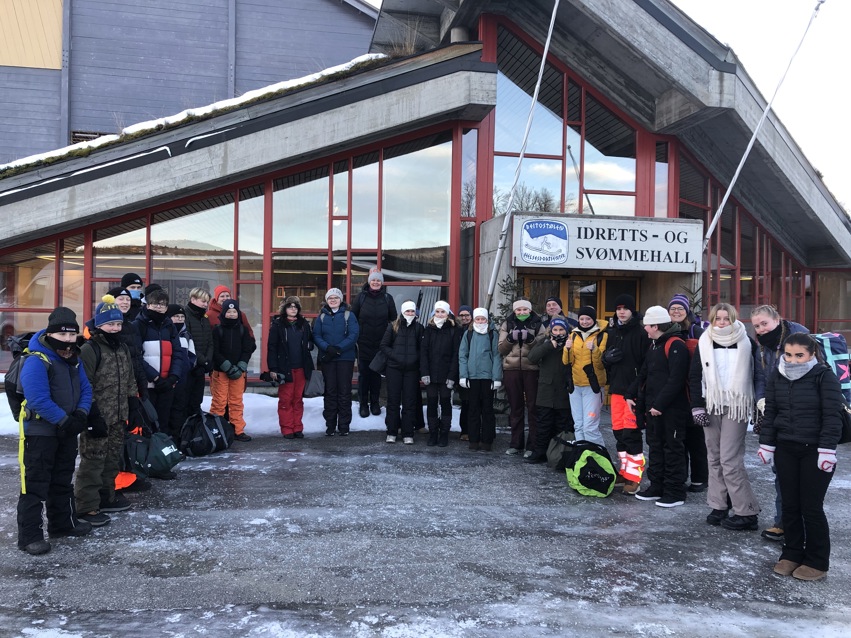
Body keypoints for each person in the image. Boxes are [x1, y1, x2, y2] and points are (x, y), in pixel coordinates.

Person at [757, 333, 843, 581]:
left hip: (815, 451)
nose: (793, 361)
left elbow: (832, 416)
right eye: (789, 355)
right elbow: (771, 411)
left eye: (799, 355)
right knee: (790, 505)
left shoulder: (824, 376)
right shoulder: (778, 375)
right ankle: (791, 553)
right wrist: (767, 444)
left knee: (811, 507)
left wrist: (827, 449)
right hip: (786, 447)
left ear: (812, 354)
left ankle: (817, 561)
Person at [17, 307, 94, 555]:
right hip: (40, 432)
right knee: (36, 483)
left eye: (72, 335)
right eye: (63, 335)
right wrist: (64, 420)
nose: (69, 341)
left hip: (67, 428)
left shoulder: (74, 360)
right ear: (51, 334)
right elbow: (37, 398)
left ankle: (62, 524)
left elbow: (86, 389)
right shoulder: (37, 360)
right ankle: (30, 536)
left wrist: (81, 414)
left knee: (62, 479)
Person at [689, 303, 764, 530]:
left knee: (730, 460)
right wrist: (697, 407)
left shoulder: (747, 342)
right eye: (718, 318)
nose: (722, 323)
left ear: (733, 319)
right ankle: (719, 504)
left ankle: (746, 511)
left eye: (726, 318)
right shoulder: (704, 342)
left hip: (736, 406)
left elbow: (758, 375)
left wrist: (760, 405)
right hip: (711, 404)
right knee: (713, 457)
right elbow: (694, 376)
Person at [76, 295, 136, 527]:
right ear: (99, 325)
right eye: (110, 324)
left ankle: (105, 496)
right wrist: (91, 415)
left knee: (112, 458)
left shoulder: (121, 348)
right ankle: (86, 507)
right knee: (93, 461)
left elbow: (129, 378)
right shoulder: (90, 349)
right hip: (98, 416)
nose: (115, 328)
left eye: (118, 324)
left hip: (118, 415)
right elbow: (84, 384)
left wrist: (133, 404)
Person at [750, 304, 809, 543]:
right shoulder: (762, 346)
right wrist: (761, 399)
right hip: (777, 414)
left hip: (803, 414)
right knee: (781, 471)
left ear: (777, 319)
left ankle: (802, 524)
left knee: (804, 475)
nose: (761, 329)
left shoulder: (798, 337)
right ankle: (783, 522)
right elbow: (761, 376)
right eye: (756, 326)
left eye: (764, 323)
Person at [626, 306, 690, 507]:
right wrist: (631, 394)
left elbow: (676, 380)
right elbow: (644, 373)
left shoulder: (675, 345)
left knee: (672, 448)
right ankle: (657, 486)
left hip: (672, 409)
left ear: (656, 326)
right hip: (653, 407)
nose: (645, 329)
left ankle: (675, 491)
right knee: (655, 446)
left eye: (647, 325)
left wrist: (660, 404)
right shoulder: (654, 345)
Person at [603, 294, 649, 494]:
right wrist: (606, 359)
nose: (621, 311)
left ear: (632, 310)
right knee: (619, 433)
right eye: (618, 308)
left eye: (625, 308)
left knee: (632, 434)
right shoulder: (612, 331)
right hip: (616, 390)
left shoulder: (641, 332)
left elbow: (646, 364)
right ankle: (624, 470)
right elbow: (604, 358)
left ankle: (634, 476)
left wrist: (638, 389)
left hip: (633, 393)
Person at [133, 288, 186, 443]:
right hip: (148, 385)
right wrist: (155, 377)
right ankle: (148, 456)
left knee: (164, 422)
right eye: (155, 304)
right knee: (148, 422)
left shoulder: (169, 325)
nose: (159, 308)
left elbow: (177, 353)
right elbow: (136, 356)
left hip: (168, 384)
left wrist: (173, 377)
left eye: (162, 305)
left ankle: (163, 454)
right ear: (147, 305)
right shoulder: (138, 324)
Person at [668, 293, 708, 494]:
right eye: (673, 309)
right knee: (678, 438)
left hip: (694, 390)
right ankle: (680, 475)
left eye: (680, 309)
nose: (676, 312)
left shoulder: (697, 331)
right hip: (675, 391)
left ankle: (700, 477)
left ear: (686, 312)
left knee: (696, 437)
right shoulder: (666, 331)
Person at [498, 298, 545, 457]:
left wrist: (531, 340)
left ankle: (532, 445)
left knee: (533, 408)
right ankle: (515, 444)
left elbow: (543, 346)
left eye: (525, 310)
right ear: (514, 311)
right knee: (515, 408)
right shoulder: (507, 323)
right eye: (519, 310)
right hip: (511, 369)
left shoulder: (538, 323)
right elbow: (501, 349)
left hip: (532, 369)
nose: (522, 312)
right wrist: (510, 339)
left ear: (530, 310)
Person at [312, 288, 359, 436]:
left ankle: (344, 425)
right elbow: (316, 335)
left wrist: (339, 348)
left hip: (345, 358)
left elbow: (354, 335)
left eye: (336, 298)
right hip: (328, 359)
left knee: (344, 391)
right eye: (330, 298)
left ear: (341, 300)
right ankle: (330, 425)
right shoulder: (321, 317)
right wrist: (327, 348)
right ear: (326, 300)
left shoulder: (349, 315)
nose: (333, 300)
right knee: (330, 391)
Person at [526, 317, 572, 463]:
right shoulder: (545, 341)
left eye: (561, 329)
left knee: (562, 424)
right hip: (546, 390)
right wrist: (548, 346)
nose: (558, 333)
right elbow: (532, 357)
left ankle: (558, 455)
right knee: (543, 424)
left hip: (564, 390)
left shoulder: (571, 342)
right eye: (555, 330)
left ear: (566, 330)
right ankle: (540, 452)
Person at [351, 270, 397, 418]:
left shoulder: (388, 298)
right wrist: (357, 337)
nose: (376, 283)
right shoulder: (361, 297)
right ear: (369, 282)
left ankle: (375, 403)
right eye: (373, 280)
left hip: (381, 344)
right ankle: (363, 404)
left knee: (376, 374)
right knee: (364, 375)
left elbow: (394, 319)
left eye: (378, 281)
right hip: (363, 342)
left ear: (382, 283)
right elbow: (353, 318)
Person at [267, 296, 314, 439]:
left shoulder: (304, 324)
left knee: (298, 399)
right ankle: (287, 428)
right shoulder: (278, 325)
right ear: (284, 309)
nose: (293, 309)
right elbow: (272, 347)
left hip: (301, 367)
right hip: (284, 368)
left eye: (295, 306)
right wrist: (273, 368)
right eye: (290, 306)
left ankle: (297, 427)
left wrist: (309, 345)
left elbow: (310, 341)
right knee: (286, 400)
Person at [211, 299, 256, 442]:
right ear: (224, 313)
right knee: (219, 402)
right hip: (221, 372)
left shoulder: (242, 330)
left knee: (236, 402)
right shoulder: (217, 330)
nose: (231, 314)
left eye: (234, 311)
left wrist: (241, 365)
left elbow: (247, 349)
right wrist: (226, 366)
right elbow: (214, 351)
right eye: (229, 312)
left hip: (238, 372)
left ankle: (238, 430)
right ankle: (217, 430)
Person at [562, 306, 607, 448]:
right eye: (582, 319)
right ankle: (583, 456)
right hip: (575, 385)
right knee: (579, 425)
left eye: (588, 319)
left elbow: (601, 364)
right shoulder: (573, 335)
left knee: (590, 427)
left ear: (593, 319)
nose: (585, 321)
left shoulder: (602, 336)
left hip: (593, 385)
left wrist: (594, 350)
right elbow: (567, 361)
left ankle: (598, 456)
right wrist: (566, 349)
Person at [458, 308, 502, 451]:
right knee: (473, 409)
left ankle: (487, 440)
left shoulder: (492, 334)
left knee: (487, 409)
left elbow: (496, 356)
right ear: (474, 320)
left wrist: (496, 377)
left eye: (483, 319)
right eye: (478, 319)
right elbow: (462, 355)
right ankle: (474, 439)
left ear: (487, 320)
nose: (480, 321)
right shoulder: (468, 334)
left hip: (487, 377)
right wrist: (463, 375)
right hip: (472, 377)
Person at [380, 300, 423, 445]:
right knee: (393, 401)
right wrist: (396, 356)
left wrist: (413, 359)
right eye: (407, 311)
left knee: (409, 402)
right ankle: (391, 431)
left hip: (411, 370)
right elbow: (384, 345)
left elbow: (422, 348)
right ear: (402, 312)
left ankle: (408, 433)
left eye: (412, 311)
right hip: (394, 369)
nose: (410, 314)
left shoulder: (419, 328)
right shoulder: (393, 327)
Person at [421, 300, 459, 447]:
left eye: (443, 311)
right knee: (431, 403)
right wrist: (424, 372)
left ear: (448, 313)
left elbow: (456, 355)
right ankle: (433, 433)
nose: (440, 314)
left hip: (446, 375)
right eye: (437, 311)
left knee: (445, 403)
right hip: (430, 374)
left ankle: (444, 434)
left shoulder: (453, 330)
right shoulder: (428, 330)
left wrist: (452, 376)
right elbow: (423, 353)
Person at [165, 303, 194, 439]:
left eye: (182, 316)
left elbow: (192, 355)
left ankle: (177, 438)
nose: (179, 319)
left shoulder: (186, 335)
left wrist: (188, 367)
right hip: (167, 379)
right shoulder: (166, 333)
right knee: (167, 410)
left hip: (183, 380)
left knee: (179, 409)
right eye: (176, 316)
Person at [184, 288, 214, 418]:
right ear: (193, 299)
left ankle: (196, 429)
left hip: (201, 367)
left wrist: (208, 360)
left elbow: (210, 342)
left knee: (197, 401)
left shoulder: (204, 318)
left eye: (207, 302)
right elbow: (188, 341)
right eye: (203, 301)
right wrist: (203, 360)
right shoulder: (186, 315)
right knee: (186, 401)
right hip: (190, 367)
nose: (205, 305)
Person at [454, 305, 473, 441]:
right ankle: (464, 430)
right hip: (460, 370)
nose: (464, 317)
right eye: (462, 315)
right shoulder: (456, 330)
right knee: (465, 401)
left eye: (467, 315)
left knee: (474, 402)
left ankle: (474, 429)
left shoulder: (475, 329)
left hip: (474, 370)